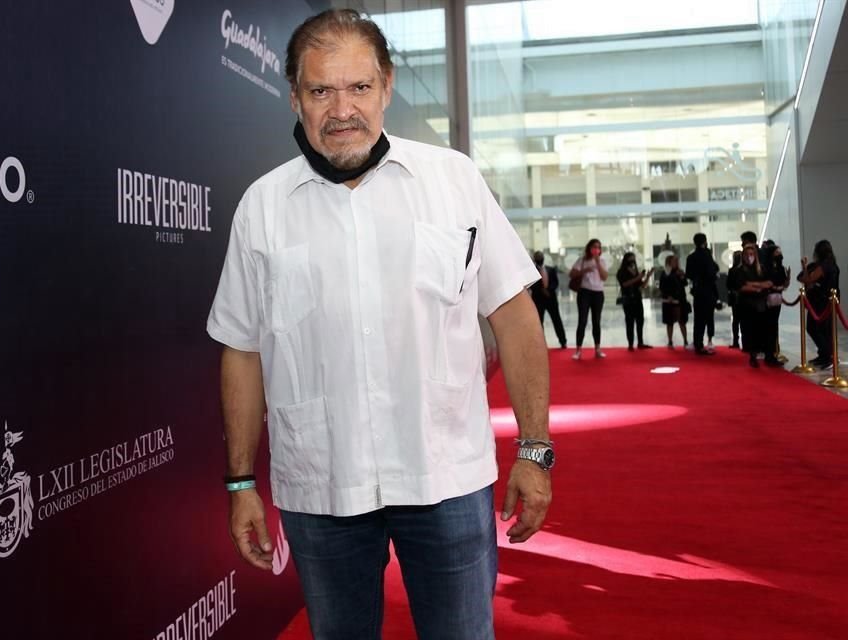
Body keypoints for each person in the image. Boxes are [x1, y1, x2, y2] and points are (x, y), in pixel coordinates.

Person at [206, 10, 552, 640]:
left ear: (387, 87)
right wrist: (240, 480)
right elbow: (242, 348)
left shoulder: (453, 180)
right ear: (295, 98)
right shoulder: (262, 207)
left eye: (359, 88)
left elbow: (513, 311)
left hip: (446, 477)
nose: (343, 109)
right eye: (321, 91)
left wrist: (535, 449)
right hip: (321, 487)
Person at [728, 244, 782, 367]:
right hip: (747, 305)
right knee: (750, 332)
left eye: (751, 254)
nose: (749, 257)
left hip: (761, 304)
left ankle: (767, 355)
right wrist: (758, 286)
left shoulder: (761, 269)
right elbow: (742, 286)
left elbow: (768, 283)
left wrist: (754, 285)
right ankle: (753, 356)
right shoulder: (739, 270)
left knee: (763, 331)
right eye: (747, 254)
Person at [798, 240, 840, 370]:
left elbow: (808, 279)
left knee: (813, 327)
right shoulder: (833, 265)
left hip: (821, 301)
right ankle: (824, 355)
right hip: (828, 300)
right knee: (824, 330)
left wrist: (805, 268)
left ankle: (827, 355)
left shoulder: (823, 266)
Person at [569, 239, 609, 360]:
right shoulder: (581, 260)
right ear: (589, 248)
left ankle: (597, 349)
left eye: (598, 247)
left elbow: (605, 277)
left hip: (598, 294)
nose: (596, 249)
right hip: (584, 293)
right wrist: (583, 271)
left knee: (596, 321)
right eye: (594, 247)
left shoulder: (602, 261)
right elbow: (571, 274)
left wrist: (597, 263)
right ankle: (578, 350)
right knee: (582, 321)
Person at [685, 233, 719, 355]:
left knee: (698, 319)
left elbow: (688, 274)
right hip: (708, 290)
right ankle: (706, 341)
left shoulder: (691, 257)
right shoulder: (707, 255)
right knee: (709, 317)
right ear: (705, 241)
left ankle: (698, 343)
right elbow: (714, 270)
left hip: (697, 291)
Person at [530, 251, 568, 349]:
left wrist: (549, 290)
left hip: (551, 299)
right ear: (534, 259)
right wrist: (542, 290)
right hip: (538, 300)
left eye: (540, 256)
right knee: (539, 322)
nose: (539, 258)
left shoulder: (550, 269)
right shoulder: (531, 271)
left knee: (557, 320)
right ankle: (541, 344)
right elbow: (531, 285)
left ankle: (563, 341)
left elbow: (555, 282)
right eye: (537, 257)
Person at [616, 252, 654, 350]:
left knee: (640, 321)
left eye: (633, 259)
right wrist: (637, 278)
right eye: (630, 259)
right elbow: (624, 284)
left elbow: (642, 286)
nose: (632, 261)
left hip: (637, 298)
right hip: (627, 299)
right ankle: (630, 344)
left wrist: (648, 276)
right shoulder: (621, 272)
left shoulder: (635, 271)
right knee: (630, 321)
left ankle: (640, 342)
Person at [660, 254, 690, 349]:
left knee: (682, 321)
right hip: (668, 300)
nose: (676, 263)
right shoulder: (665, 273)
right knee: (669, 322)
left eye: (677, 261)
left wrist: (682, 276)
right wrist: (668, 295)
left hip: (680, 299)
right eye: (674, 261)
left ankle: (685, 340)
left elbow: (685, 283)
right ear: (669, 262)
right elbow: (662, 286)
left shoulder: (680, 272)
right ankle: (670, 341)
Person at [726, 250, 743, 349]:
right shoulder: (742, 270)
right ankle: (743, 341)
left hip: (735, 297)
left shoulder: (732, 270)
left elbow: (728, 285)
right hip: (741, 297)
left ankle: (735, 341)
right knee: (742, 320)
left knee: (736, 320)